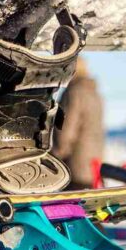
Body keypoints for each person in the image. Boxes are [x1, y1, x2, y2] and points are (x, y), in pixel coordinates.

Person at [51, 57, 105, 190]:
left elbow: (66, 131)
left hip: (74, 164)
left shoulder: (73, 92)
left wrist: (55, 157)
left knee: (70, 208)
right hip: (94, 164)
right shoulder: (95, 94)